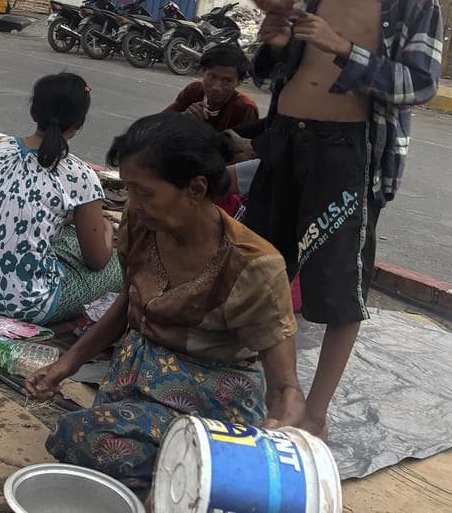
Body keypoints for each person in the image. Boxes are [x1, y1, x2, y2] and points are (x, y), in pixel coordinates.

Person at [239, 0, 443, 439]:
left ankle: (319, 410)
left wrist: (339, 46)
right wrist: (275, 41)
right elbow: (275, 71)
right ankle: (279, 389)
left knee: (337, 286)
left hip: (347, 153)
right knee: (265, 270)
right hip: (285, 141)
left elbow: (420, 84)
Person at [26, 112, 305, 494]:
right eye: (128, 189)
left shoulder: (253, 266)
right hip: (136, 376)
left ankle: (194, 479)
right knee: (96, 446)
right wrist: (66, 364)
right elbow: (129, 301)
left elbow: (286, 388)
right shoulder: (142, 226)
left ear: (195, 188)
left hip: (209, 401)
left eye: (144, 192)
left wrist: (277, 438)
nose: (132, 204)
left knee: (86, 441)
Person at [0, 73, 122, 324]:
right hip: (25, 305)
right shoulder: (80, 174)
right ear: (80, 122)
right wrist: (106, 227)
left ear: (33, 112)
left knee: (64, 238)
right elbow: (97, 260)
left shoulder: (2, 147)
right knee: (116, 268)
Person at [162, 43, 259, 132]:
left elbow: (244, 147)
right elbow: (158, 123)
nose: (216, 87)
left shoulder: (244, 107)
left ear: (239, 82)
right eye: (212, 77)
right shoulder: (194, 90)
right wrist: (183, 117)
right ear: (203, 72)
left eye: (227, 81)